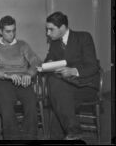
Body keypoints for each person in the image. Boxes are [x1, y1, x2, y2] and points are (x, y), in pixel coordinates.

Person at [42, 11, 100, 140]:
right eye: (47, 30)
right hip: (64, 87)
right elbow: (47, 60)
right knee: (57, 90)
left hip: (85, 86)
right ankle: (73, 132)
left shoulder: (84, 37)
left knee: (58, 99)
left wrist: (74, 71)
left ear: (62, 28)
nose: (48, 33)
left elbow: (93, 66)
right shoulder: (55, 43)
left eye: (51, 29)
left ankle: (68, 133)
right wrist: (49, 63)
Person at [0, 15, 42, 140]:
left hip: (22, 80)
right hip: (3, 82)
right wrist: (7, 76)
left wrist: (29, 74)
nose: (11, 34)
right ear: (0, 31)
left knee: (31, 103)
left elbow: (36, 62)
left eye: (14, 30)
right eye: (8, 31)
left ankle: (29, 137)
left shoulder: (23, 45)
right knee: (6, 107)